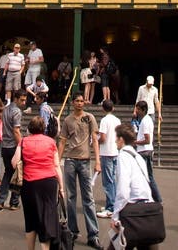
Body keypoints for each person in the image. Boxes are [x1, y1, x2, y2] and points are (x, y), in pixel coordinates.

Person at [12, 115, 64, 250]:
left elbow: (14, 163)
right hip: (48, 183)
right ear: (43, 128)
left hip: (29, 184)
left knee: (30, 219)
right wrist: (61, 188)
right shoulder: (51, 142)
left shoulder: (23, 142)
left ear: (29, 128)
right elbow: (57, 166)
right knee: (46, 219)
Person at [57, 93, 101, 249]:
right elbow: (62, 141)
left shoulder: (89, 118)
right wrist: (56, 161)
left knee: (88, 198)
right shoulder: (68, 120)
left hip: (85, 161)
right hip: (70, 160)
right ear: (72, 102)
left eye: (82, 101)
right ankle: (73, 231)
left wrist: (98, 161)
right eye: (77, 101)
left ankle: (93, 234)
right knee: (70, 198)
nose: (80, 103)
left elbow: (95, 139)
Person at [111, 123, 159, 250]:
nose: (115, 141)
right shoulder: (138, 157)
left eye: (116, 138)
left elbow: (123, 189)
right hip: (147, 209)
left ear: (121, 139)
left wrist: (115, 216)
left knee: (117, 245)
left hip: (132, 212)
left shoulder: (123, 156)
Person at [0, 89, 28, 211]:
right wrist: (21, 145)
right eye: (22, 100)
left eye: (25, 100)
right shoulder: (16, 112)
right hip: (14, 147)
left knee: (8, 173)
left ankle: (1, 200)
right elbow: (16, 131)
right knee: (18, 174)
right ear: (16, 98)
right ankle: (14, 202)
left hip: (5, 146)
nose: (24, 102)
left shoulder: (6, 109)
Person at [97, 98, 121, 218]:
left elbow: (103, 138)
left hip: (106, 152)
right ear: (113, 108)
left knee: (107, 181)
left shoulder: (104, 121)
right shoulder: (117, 120)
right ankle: (112, 204)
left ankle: (110, 207)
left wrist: (95, 140)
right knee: (113, 179)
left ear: (103, 108)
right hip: (115, 151)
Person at [134, 100, 161, 203]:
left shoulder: (145, 121)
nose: (136, 111)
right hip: (147, 150)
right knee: (148, 176)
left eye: (138, 109)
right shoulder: (147, 120)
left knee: (145, 176)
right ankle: (156, 199)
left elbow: (147, 139)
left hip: (144, 151)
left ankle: (152, 198)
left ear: (143, 110)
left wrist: (136, 142)